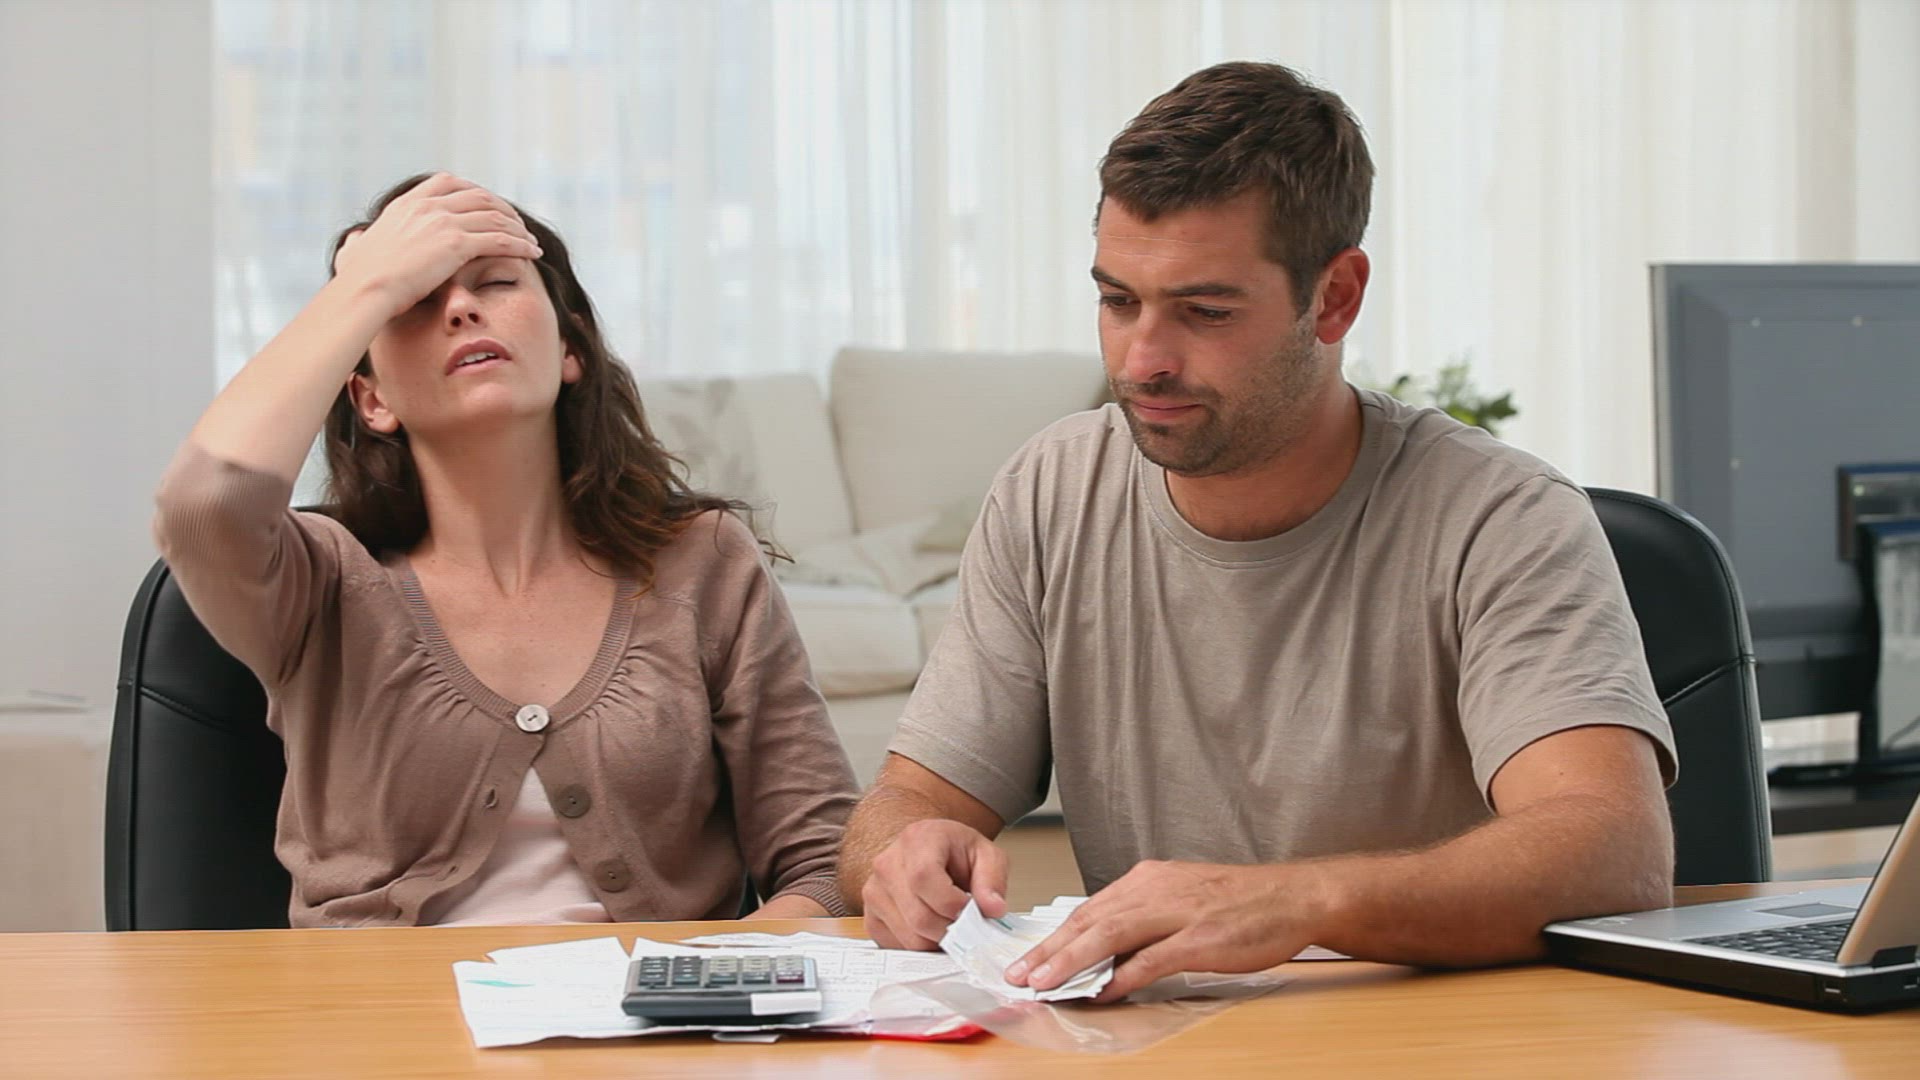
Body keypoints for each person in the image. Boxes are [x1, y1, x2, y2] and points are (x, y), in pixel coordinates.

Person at [838, 62, 1678, 1000]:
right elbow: (907, 801)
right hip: (1158, 1044)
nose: (1142, 360)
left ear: (1335, 297)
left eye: (1204, 312)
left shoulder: (1502, 516)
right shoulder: (1051, 491)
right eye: (1118, 301)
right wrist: (904, 852)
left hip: (1434, 1038)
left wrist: (1299, 904)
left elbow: (1615, 850)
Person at [154, 173, 857, 927]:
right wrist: (365, 284)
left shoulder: (704, 561)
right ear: (372, 398)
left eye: (495, 282)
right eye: (415, 302)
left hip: (648, 998)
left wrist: (720, 971)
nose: (461, 308)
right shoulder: (319, 579)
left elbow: (823, 863)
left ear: (568, 349)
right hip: (377, 1002)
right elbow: (202, 506)